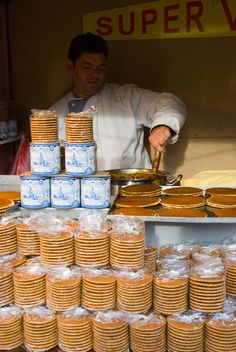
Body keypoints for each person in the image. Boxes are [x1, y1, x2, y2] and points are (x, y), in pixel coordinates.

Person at [49, 32, 186, 170]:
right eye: (87, 67)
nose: (95, 74)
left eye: (101, 68)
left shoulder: (126, 97)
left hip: (131, 188)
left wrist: (162, 126)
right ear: (70, 66)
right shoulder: (53, 115)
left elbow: (172, 103)